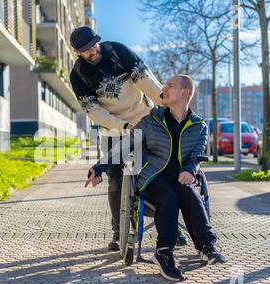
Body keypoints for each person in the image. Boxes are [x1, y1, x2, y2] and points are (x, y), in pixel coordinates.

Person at [85, 75, 226, 282]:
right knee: (169, 197)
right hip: (153, 177)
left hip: (182, 177)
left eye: (170, 86)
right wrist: (98, 168)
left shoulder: (199, 126)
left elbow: (196, 155)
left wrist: (188, 169)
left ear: (184, 93)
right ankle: (163, 253)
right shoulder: (151, 121)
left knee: (189, 191)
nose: (164, 89)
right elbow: (125, 146)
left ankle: (207, 245)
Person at [70, 26, 189, 251]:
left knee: (157, 175)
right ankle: (118, 232)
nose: (92, 50)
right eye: (86, 49)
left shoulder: (118, 51)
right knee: (116, 179)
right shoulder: (78, 75)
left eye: (94, 44)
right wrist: (123, 126)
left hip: (145, 119)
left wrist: (167, 105)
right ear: (78, 52)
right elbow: (94, 111)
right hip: (114, 128)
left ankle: (172, 226)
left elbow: (147, 82)